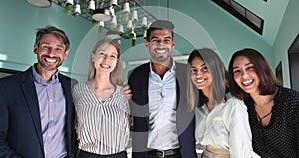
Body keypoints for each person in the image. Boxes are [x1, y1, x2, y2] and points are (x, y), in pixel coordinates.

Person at [0, 26, 77, 157]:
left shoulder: (73, 86)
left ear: (65, 54)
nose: (51, 54)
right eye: (46, 47)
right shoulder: (6, 87)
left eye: (58, 49)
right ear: (36, 48)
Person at [128, 20, 197, 158]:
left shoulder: (188, 74)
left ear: (173, 44)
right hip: (146, 154)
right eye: (156, 40)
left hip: (181, 154)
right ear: (147, 43)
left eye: (166, 39)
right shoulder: (135, 75)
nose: (161, 44)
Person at [227, 48, 299, 158]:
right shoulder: (243, 107)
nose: (244, 76)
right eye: (237, 71)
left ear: (262, 68)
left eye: (250, 68)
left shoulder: (292, 101)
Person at [187, 48, 259, 158]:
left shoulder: (233, 104)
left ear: (215, 70)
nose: (198, 75)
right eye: (194, 70)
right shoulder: (198, 106)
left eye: (205, 68)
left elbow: (241, 149)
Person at [72, 39, 130, 158]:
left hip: (118, 155)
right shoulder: (77, 90)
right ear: (93, 57)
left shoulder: (124, 93)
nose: (106, 60)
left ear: (116, 62)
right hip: (87, 155)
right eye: (102, 54)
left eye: (112, 56)